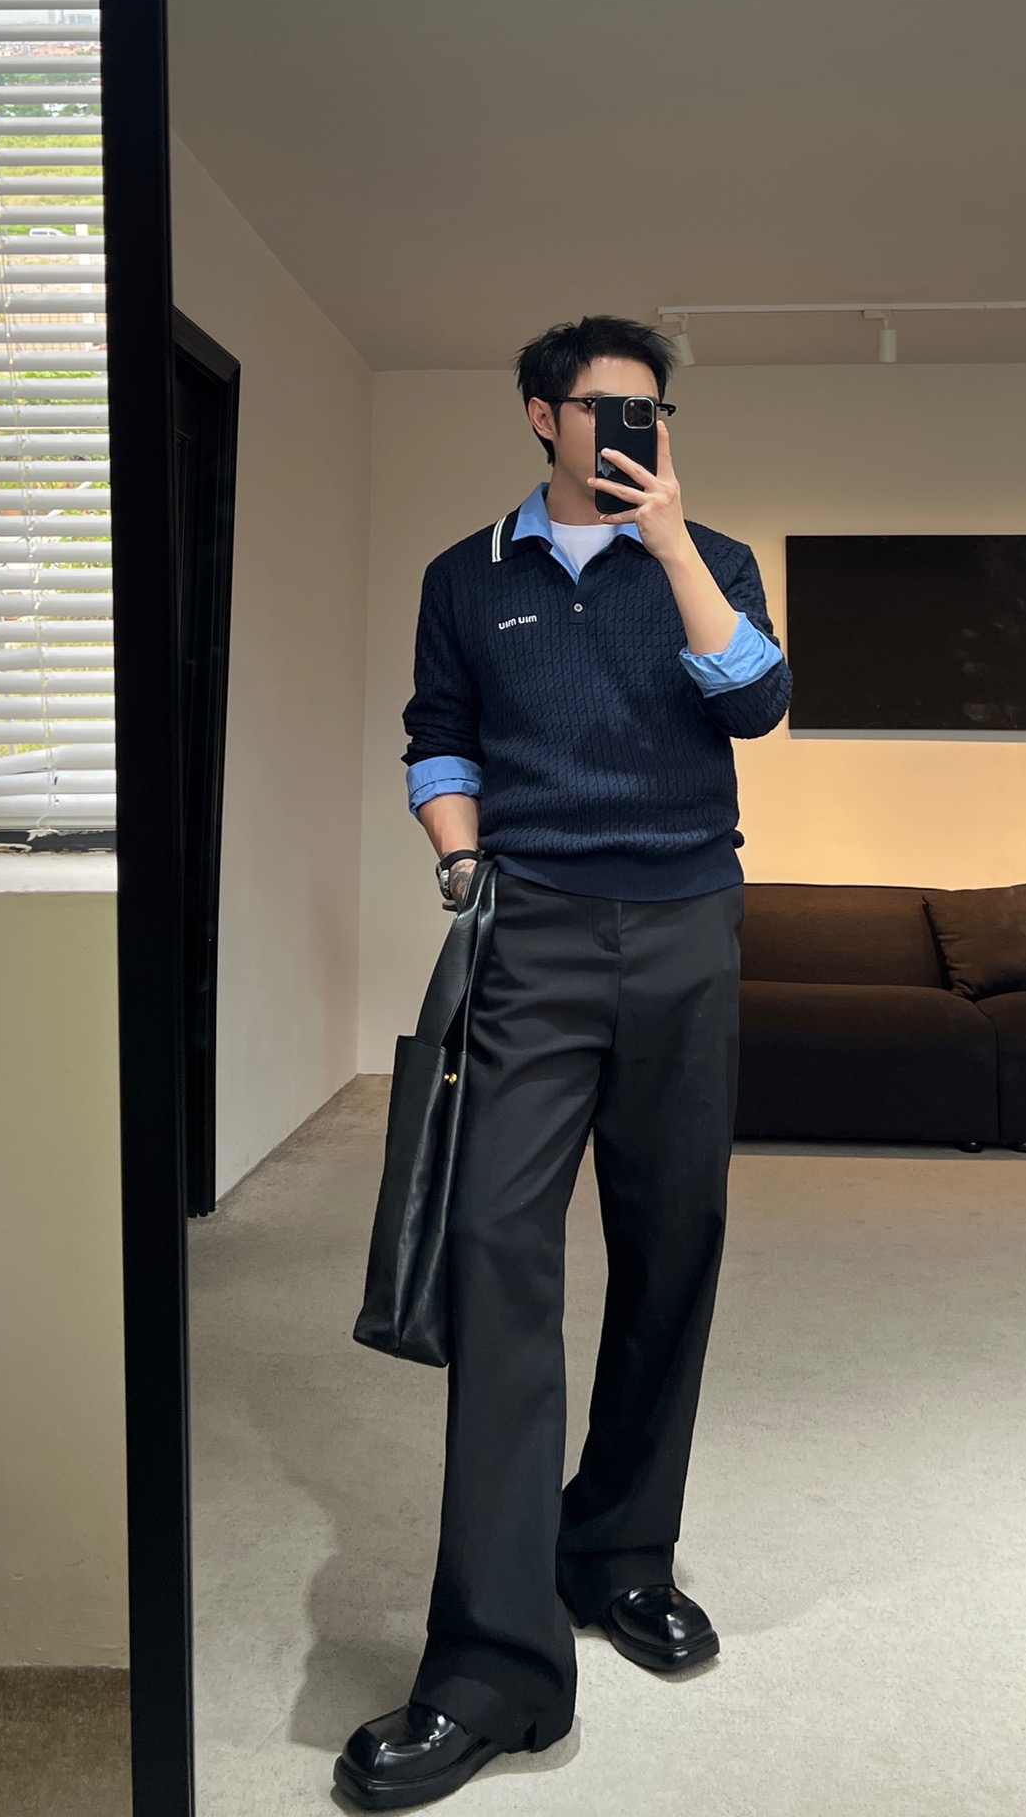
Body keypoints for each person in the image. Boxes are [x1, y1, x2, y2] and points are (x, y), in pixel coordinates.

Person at [335, 315, 792, 1810]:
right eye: (604, 409)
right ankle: (493, 1668)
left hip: (688, 927)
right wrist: (462, 866)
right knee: (494, 1258)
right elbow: (439, 738)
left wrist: (672, 547)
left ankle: (620, 1554)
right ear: (543, 415)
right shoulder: (465, 577)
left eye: (651, 411)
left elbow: (758, 702)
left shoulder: (713, 557)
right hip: (528, 932)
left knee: (672, 1244)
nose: (630, 433)